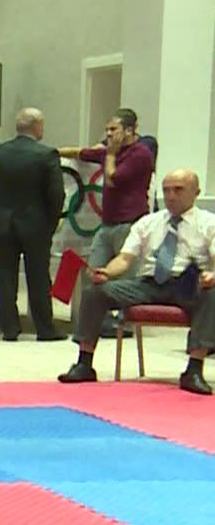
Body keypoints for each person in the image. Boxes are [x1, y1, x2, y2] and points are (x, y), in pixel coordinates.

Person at [58, 169, 215, 395]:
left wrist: (211, 275)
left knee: (212, 293)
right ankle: (84, 363)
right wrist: (107, 272)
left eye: (178, 190)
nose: (171, 196)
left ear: (196, 192)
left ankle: (194, 370)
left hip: (189, 284)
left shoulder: (209, 223)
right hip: (148, 283)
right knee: (95, 291)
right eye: (166, 191)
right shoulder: (148, 222)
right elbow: (124, 259)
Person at [59, 109, 157, 331]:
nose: (109, 134)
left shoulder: (140, 154)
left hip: (130, 223)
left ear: (129, 131)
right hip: (107, 223)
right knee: (94, 272)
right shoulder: (108, 152)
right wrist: (53, 152)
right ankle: (98, 321)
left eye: (113, 129)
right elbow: (80, 152)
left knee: (125, 276)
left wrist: (110, 155)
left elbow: (113, 179)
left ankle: (126, 323)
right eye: (107, 130)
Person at [0, 108, 66, 341]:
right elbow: (56, 193)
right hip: (36, 223)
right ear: (37, 126)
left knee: (6, 276)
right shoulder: (47, 154)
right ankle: (45, 329)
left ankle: (9, 329)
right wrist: (52, 220)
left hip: (4, 222)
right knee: (38, 277)